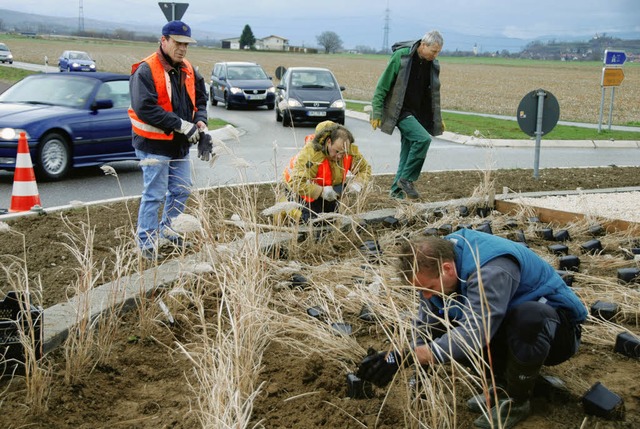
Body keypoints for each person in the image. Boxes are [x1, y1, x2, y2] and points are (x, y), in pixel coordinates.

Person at [357, 229, 587, 428]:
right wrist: (398, 357)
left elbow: (477, 330)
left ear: (447, 269)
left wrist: (422, 354)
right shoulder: (437, 265)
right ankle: (504, 385)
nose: (425, 295)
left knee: (527, 318)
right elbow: (427, 323)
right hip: (505, 324)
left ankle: (518, 401)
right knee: (448, 329)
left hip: (556, 332)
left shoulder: (489, 268)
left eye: (428, 288)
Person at [128, 20, 210, 260]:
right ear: (163, 41)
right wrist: (181, 125)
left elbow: (201, 100)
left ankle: (170, 229)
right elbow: (145, 108)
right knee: (154, 194)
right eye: (178, 43)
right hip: (153, 145)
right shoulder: (145, 69)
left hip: (179, 146)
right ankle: (146, 243)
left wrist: (201, 121)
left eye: (186, 44)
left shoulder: (189, 69)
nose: (182, 49)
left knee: (181, 189)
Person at [370, 30, 444, 200]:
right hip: (400, 110)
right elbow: (383, 85)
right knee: (422, 139)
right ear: (423, 45)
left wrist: (438, 118)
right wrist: (376, 111)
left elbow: (433, 94)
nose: (436, 55)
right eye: (434, 51)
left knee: (408, 152)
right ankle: (407, 179)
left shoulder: (431, 64)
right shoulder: (402, 56)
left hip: (417, 112)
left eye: (438, 52)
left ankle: (396, 193)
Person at [283, 121, 371, 223]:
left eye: (343, 153)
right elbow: (296, 183)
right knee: (313, 223)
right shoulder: (311, 153)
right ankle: (288, 209)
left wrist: (358, 183)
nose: (339, 156)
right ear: (328, 142)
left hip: (329, 189)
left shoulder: (347, 149)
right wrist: (320, 191)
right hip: (300, 190)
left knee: (332, 220)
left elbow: (365, 169)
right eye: (336, 151)